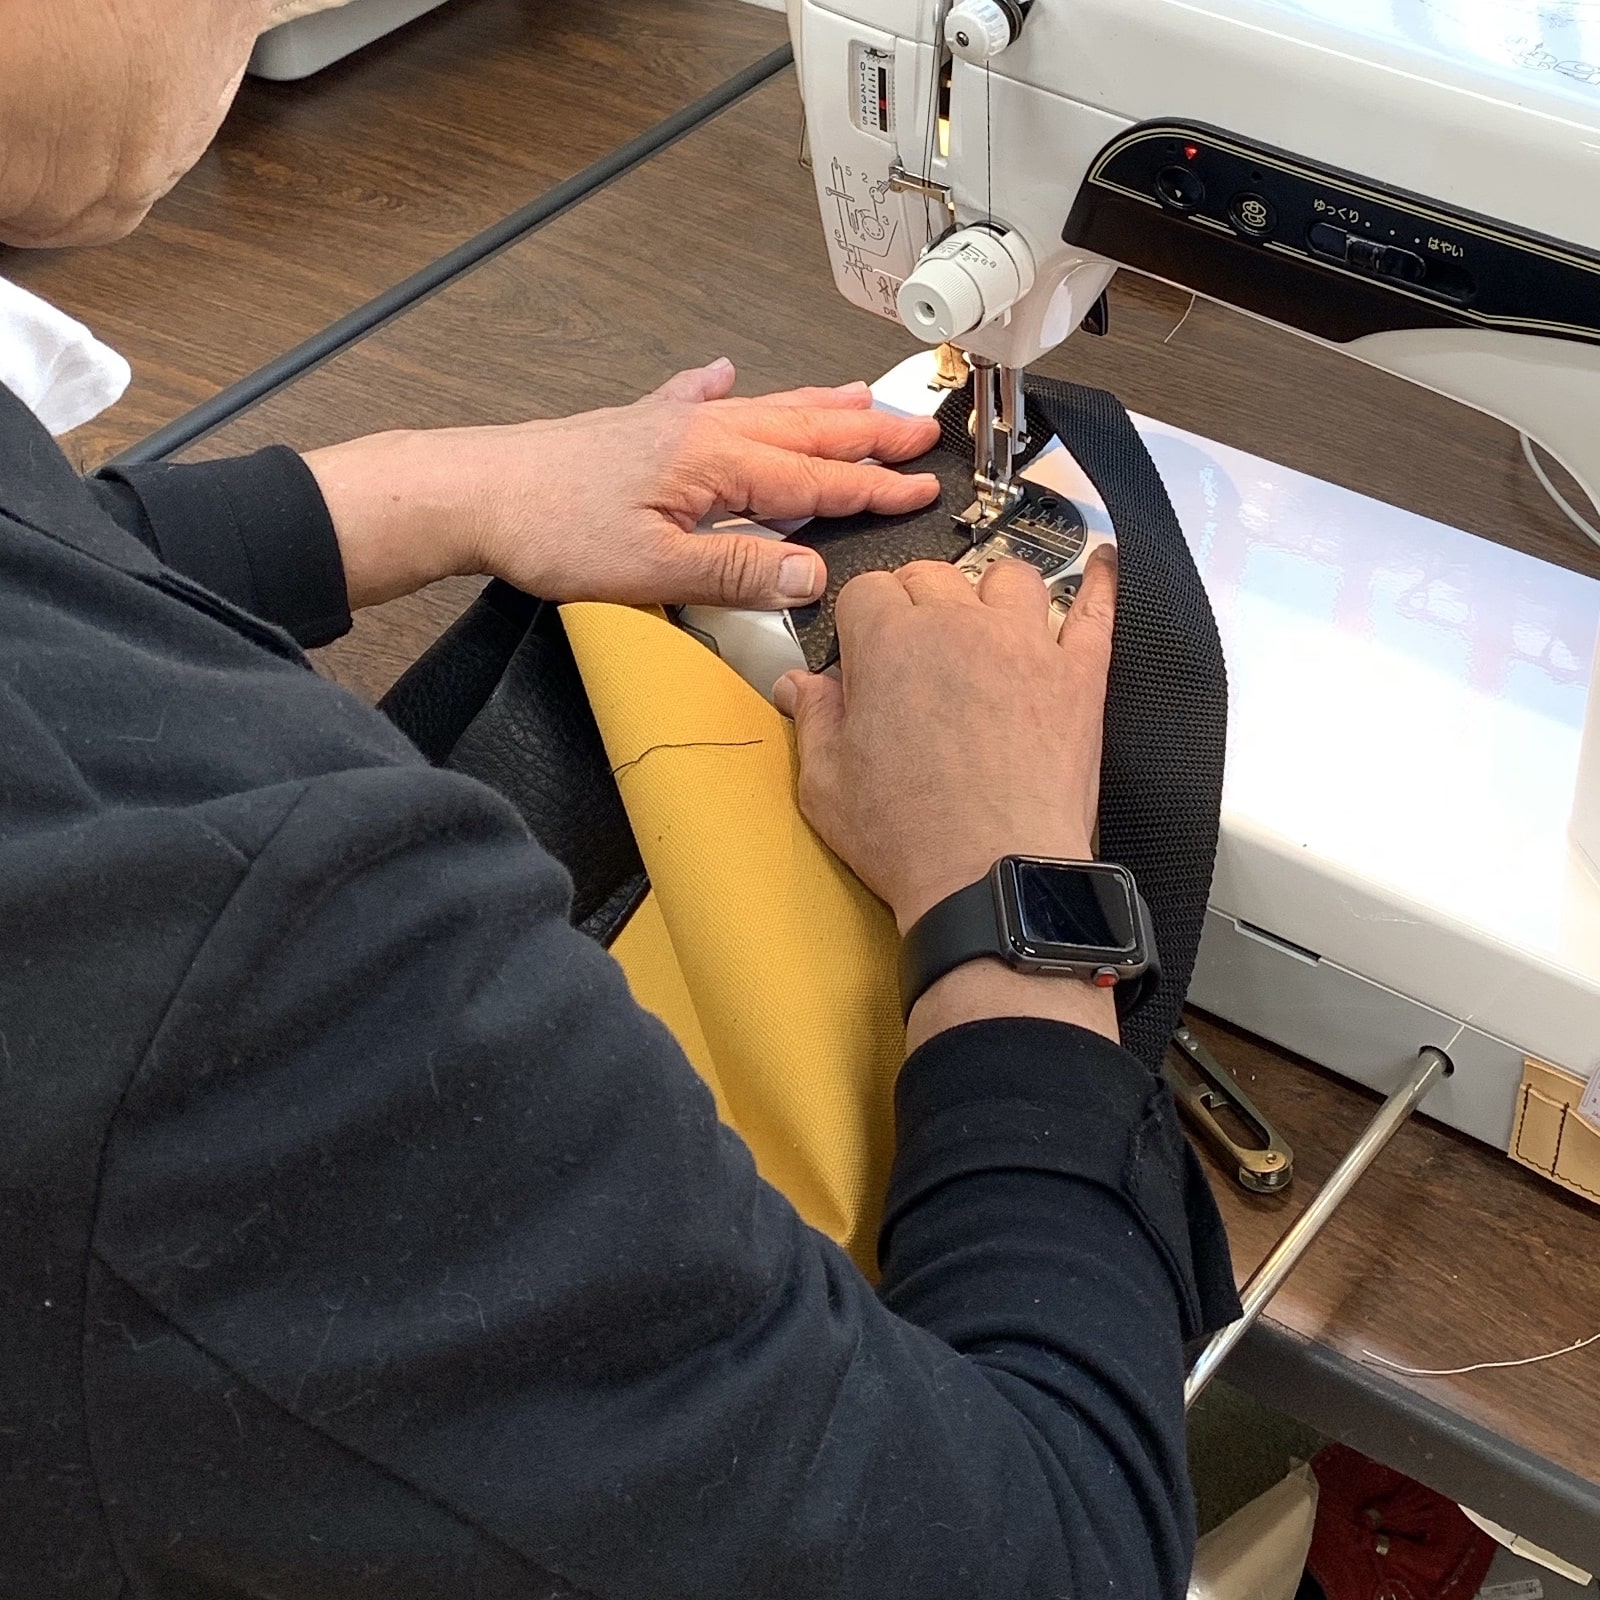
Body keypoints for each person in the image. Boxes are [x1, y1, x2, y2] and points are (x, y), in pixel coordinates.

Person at [0, 2, 1234, 1596]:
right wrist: (1013, 898)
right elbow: (1055, 1555)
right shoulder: (237, 956)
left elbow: (50, 553)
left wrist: (442, 490)